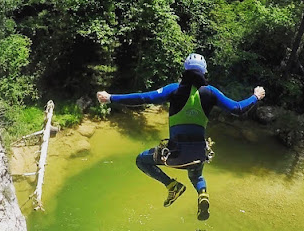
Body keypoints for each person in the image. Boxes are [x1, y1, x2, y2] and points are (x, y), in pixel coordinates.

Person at [97, 53, 265, 221]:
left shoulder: (174, 89)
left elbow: (144, 97)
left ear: (184, 69)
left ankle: (172, 185)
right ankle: (202, 194)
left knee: (141, 160)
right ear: (204, 72)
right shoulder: (211, 92)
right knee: (196, 176)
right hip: (199, 154)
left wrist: (111, 98)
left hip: (174, 154)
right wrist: (256, 96)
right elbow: (237, 108)